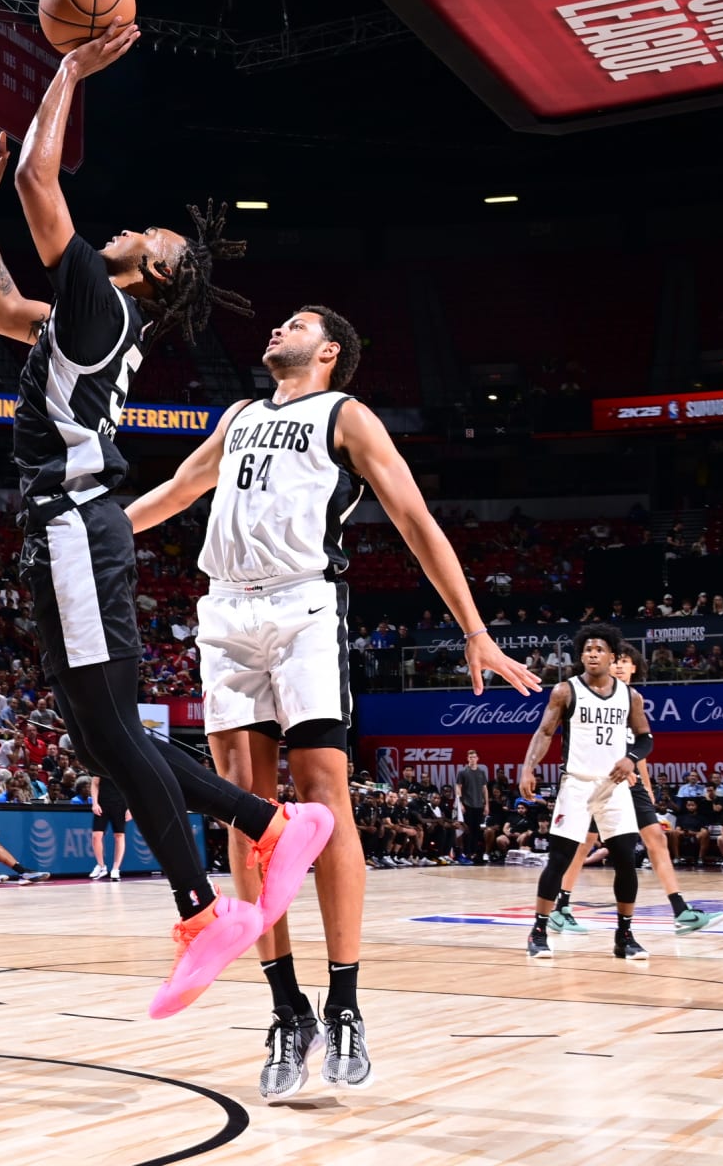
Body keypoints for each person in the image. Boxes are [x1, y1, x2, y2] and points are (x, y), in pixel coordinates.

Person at [0, 29, 332, 1020]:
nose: (137, 229)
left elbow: (43, 176)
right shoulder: (86, 314)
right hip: (69, 532)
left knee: (112, 732)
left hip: (79, 526)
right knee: (104, 734)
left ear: (157, 275)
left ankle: (202, 909)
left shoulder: (97, 300)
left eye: (157, 238)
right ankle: (270, 823)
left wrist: (73, 68)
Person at [126, 304, 539, 1095]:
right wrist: (92, 535)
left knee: (324, 798)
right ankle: (287, 1009)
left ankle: (344, 1000)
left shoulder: (345, 414)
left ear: (330, 352)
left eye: (295, 324)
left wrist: (474, 629)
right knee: (246, 810)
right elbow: (180, 489)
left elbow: (415, 517)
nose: (277, 328)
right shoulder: (242, 414)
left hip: (302, 606)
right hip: (225, 611)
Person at [544, 645, 723, 939]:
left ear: (633, 668)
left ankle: (681, 910)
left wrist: (647, 787)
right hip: (598, 781)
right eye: (614, 662)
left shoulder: (632, 700)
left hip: (630, 782)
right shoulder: (590, 694)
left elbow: (640, 752)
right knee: (583, 843)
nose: (617, 666)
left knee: (656, 839)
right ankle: (561, 906)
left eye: (623, 662)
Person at [519, 624, 653, 963]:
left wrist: (631, 758)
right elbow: (545, 731)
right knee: (560, 859)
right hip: (577, 784)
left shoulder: (630, 696)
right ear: (581, 656)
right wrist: (528, 767)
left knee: (626, 860)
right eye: (587, 649)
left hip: (614, 786)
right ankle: (539, 930)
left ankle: (625, 935)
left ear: (611, 656)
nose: (592, 653)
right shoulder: (566, 691)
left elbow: (645, 739)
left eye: (599, 649)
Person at [89, 773, 131, 880]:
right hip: (102, 803)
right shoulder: (99, 764)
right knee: (96, 836)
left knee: (119, 836)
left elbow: (132, 788)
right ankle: (101, 866)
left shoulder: (125, 766)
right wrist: (95, 803)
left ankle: (116, 869)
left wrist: (130, 808)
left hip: (121, 804)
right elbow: (95, 783)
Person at [455, 750, 488, 865]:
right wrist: (460, 804)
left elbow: (485, 789)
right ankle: (466, 853)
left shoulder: (481, 772)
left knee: (476, 831)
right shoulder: (463, 772)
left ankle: (474, 854)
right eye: (470, 757)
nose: (472, 759)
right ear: (467, 759)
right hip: (467, 805)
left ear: (477, 758)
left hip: (479, 805)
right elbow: (458, 787)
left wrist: (486, 804)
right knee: (467, 830)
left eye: (474, 757)